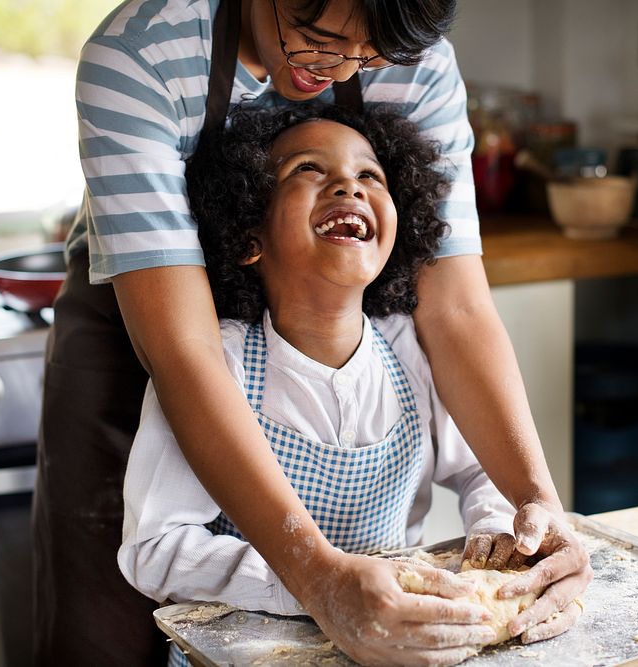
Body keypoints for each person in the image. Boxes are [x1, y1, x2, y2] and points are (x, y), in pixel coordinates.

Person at [34, 1, 591, 665]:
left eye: (369, 57)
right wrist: (315, 576)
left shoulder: (413, 61)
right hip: (144, 325)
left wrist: (537, 503)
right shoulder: (142, 56)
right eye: (318, 40)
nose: (339, 71)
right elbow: (185, 350)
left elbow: (456, 310)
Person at [122, 102, 535, 667]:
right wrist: (309, 585)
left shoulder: (412, 350)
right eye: (309, 170)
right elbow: (156, 550)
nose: (349, 185)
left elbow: (479, 469)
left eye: (370, 175)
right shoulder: (216, 362)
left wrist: (493, 533)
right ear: (249, 235)